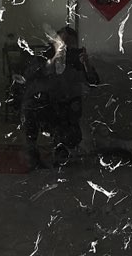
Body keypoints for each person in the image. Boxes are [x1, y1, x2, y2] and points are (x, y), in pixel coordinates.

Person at [21, 26, 99, 169]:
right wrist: (53, 60)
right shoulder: (44, 55)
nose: (66, 47)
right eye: (63, 42)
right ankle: (32, 153)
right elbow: (29, 75)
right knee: (30, 108)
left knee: (71, 136)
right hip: (44, 104)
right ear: (54, 42)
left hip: (67, 106)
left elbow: (94, 82)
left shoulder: (76, 59)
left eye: (70, 44)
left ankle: (61, 150)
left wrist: (86, 64)